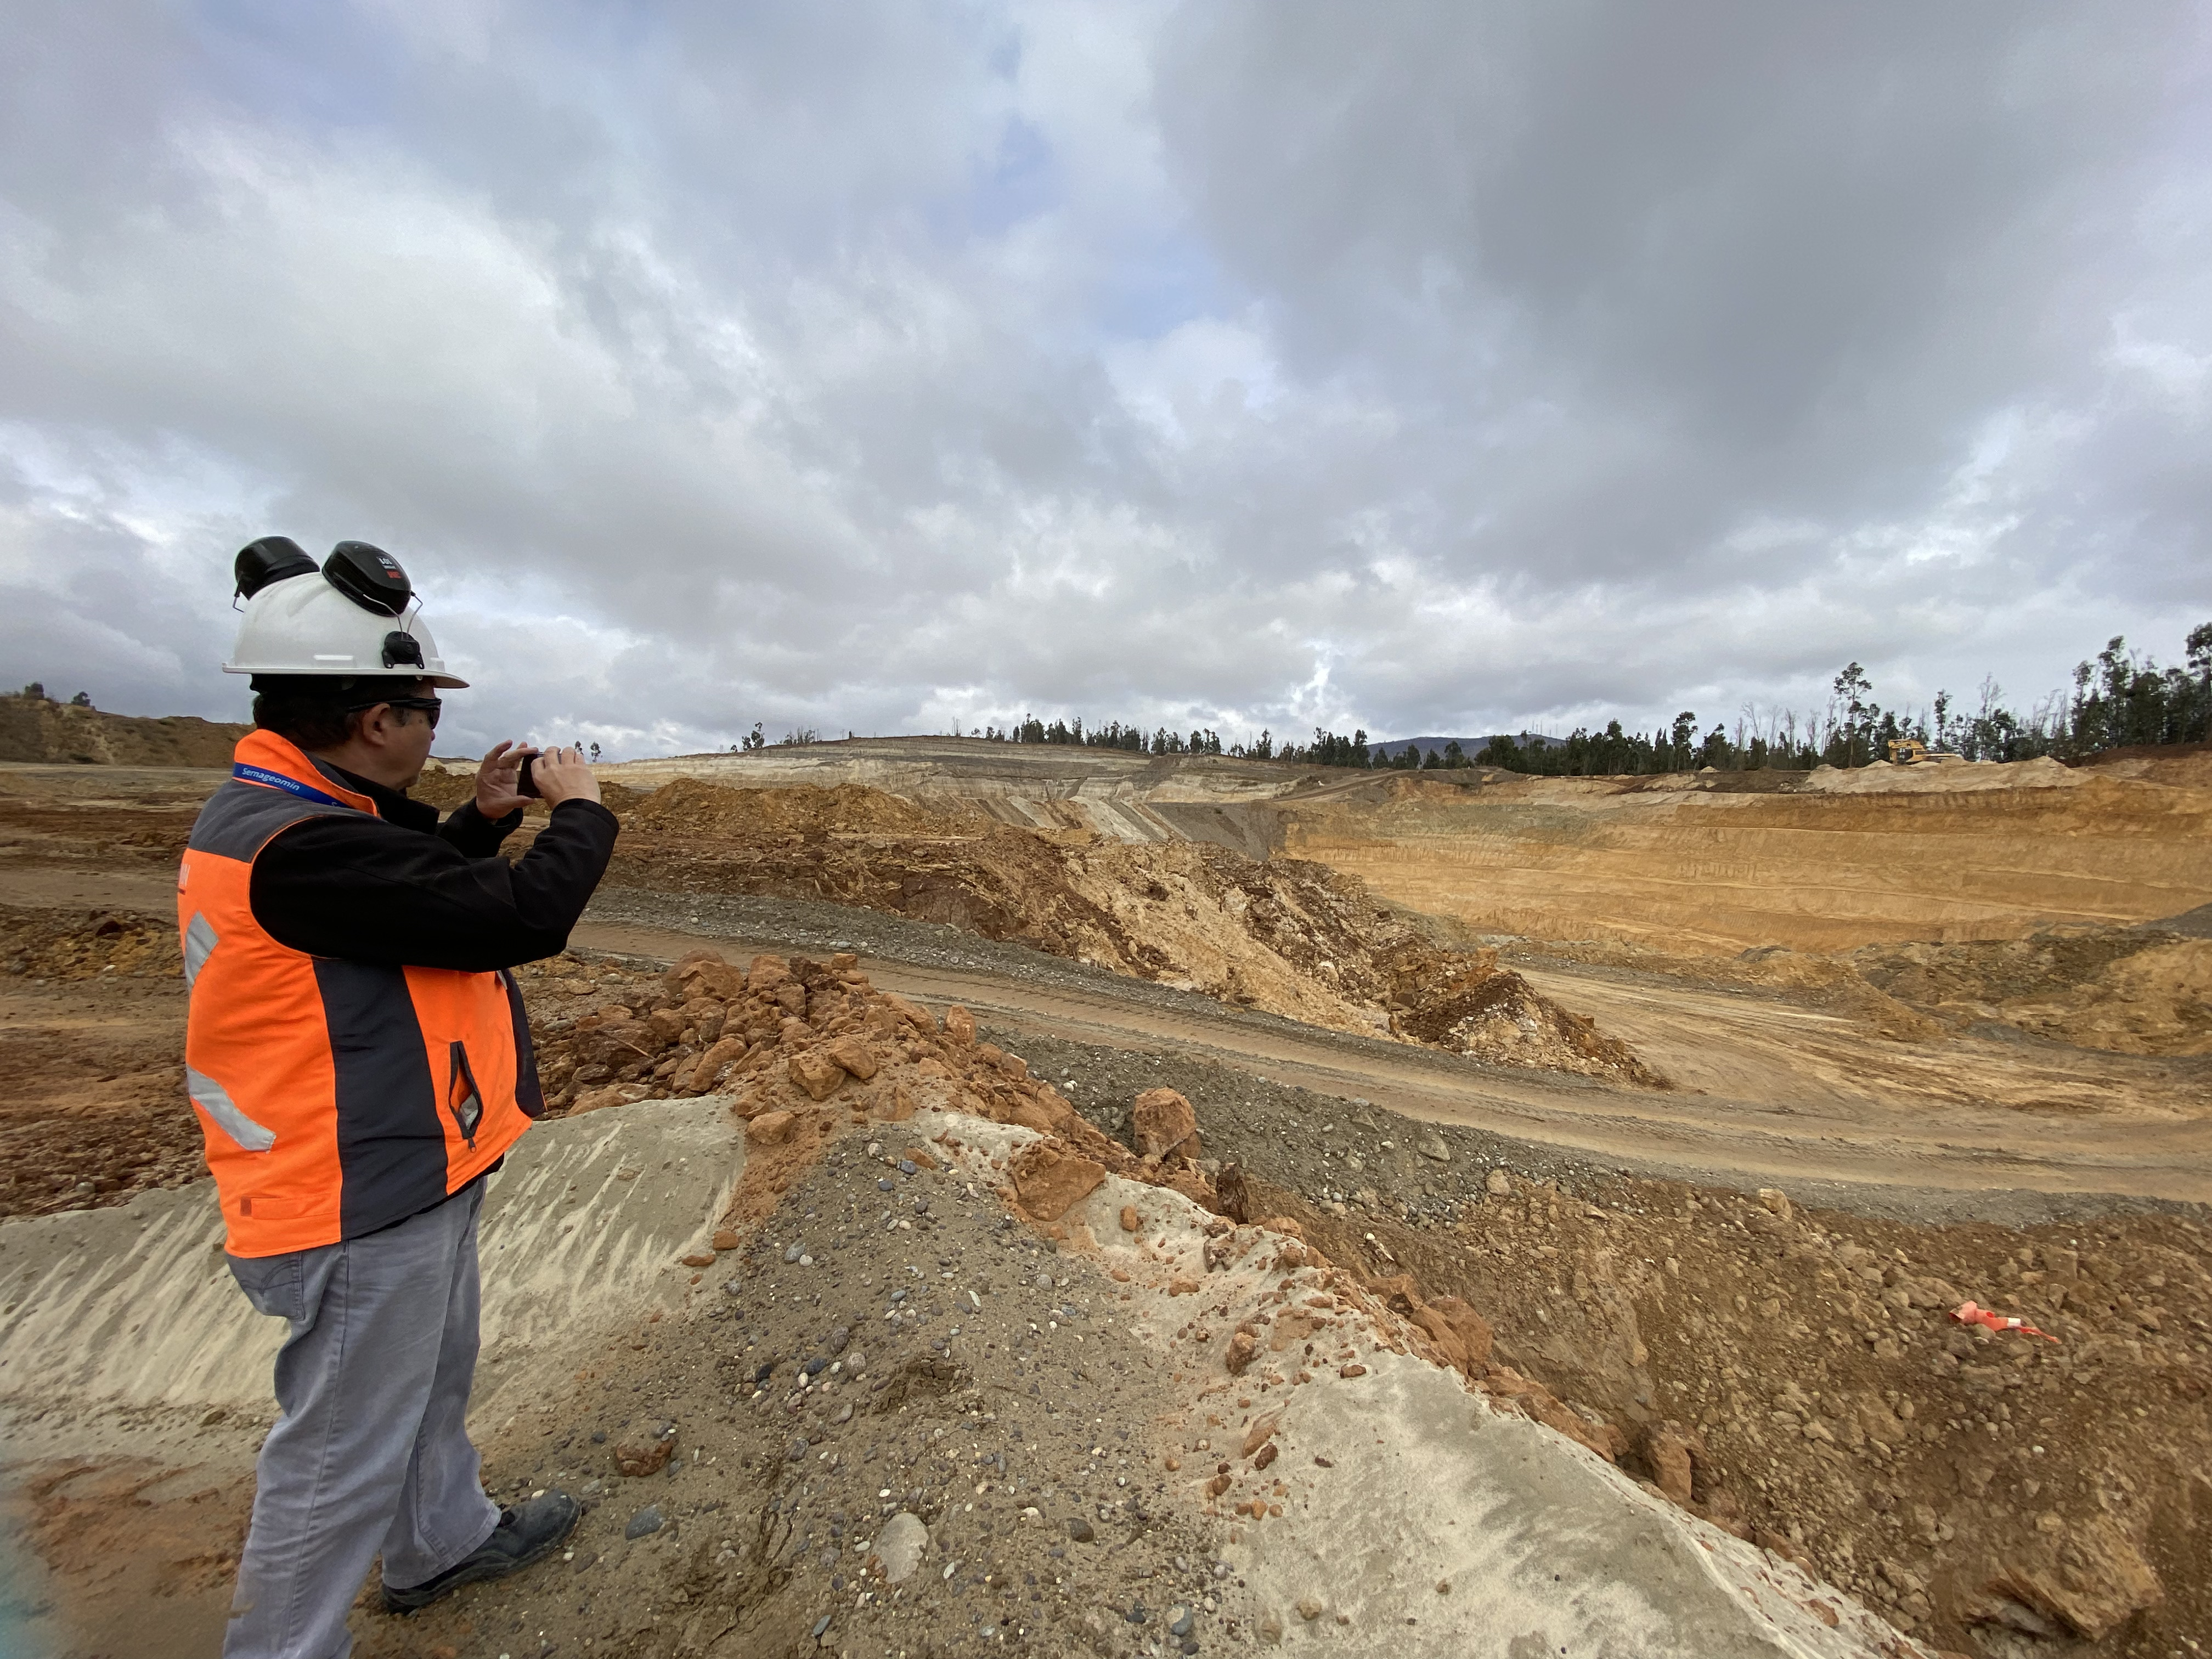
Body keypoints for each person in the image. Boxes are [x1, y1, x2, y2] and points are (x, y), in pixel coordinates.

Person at [180, 537, 620, 1659]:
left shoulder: (305, 815)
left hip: (404, 1164)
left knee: (427, 1380)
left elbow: (408, 899)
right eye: (426, 709)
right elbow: (519, 918)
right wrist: (581, 813)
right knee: (338, 1457)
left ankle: (439, 1540)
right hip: (349, 1190)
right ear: (375, 720)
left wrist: (481, 820)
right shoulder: (298, 845)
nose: (435, 728)